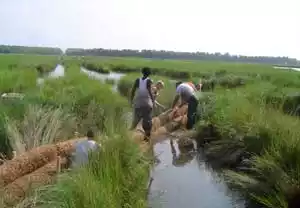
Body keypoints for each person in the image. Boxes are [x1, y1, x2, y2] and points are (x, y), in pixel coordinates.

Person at [130, 67, 155, 140]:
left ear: (142, 72)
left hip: (138, 103)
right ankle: (147, 139)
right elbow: (150, 92)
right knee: (147, 122)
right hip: (147, 104)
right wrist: (153, 102)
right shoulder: (149, 81)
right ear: (149, 73)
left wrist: (131, 100)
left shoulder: (138, 80)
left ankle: (128, 135)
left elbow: (133, 91)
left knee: (135, 121)